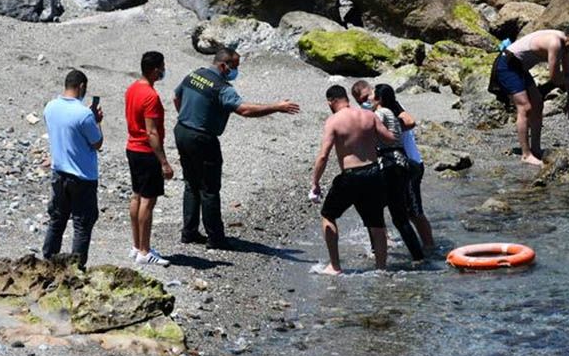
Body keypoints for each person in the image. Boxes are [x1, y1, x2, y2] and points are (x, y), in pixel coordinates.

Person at [173, 47, 300, 250]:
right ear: (223, 65)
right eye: (235, 67)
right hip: (203, 138)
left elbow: (176, 98)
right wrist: (276, 107)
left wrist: (189, 117)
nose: (236, 71)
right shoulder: (222, 87)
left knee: (191, 183)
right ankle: (216, 238)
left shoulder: (194, 74)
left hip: (182, 131)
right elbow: (245, 110)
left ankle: (189, 232)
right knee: (210, 189)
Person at [311, 85, 396, 275]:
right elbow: (390, 138)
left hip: (351, 176)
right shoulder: (368, 115)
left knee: (328, 215)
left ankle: (335, 266)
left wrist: (315, 182)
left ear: (331, 101)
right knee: (376, 222)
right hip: (374, 172)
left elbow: (323, 155)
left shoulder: (333, 121)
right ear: (347, 98)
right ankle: (381, 269)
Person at [492, 24, 569, 166]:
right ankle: (526, 155)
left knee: (538, 102)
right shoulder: (555, 43)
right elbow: (555, 78)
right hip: (507, 65)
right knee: (525, 107)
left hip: (520, 68)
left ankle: (536, 149)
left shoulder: (566, 46)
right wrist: (566, 81)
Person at [351, 81, 434, 250]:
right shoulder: (368, 112)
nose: (367, 102)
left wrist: (388, 128)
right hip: (388, 166)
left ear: (376, 95)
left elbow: (410, 122)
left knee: (413, 211)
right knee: (375, 207)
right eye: (362, 101)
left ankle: (429, 247)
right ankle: (382, 244)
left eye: (369, 97)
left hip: (409, 164)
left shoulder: (391, 107)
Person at [42, 70, 103, 269]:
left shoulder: (50, 107)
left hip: (59, 172)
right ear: (82, 87)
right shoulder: (84, 114)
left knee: (57, 220)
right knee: (82, 224)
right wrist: (97, 122)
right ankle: (76, 268)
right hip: (82, 177)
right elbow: (97, 143)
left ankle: (48, 262)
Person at [125, 51, 173, 267]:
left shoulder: (133, 88)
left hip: (132, 148)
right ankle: (144, 250)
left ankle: (137, 246)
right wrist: (163, 161)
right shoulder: (150, 97)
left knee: (136, 196)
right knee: (148, 200)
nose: (164, 70)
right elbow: (152, 132)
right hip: (146, 152)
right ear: (155, 70)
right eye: (162, 67)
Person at [370, 84, 424, 261]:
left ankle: (380, 255)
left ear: (379, 99)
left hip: (391, 165)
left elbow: (387, 136)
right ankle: (419, 255)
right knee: (401, 216)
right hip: (400, 164)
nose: (369, 99)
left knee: (393, 214)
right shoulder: (391, 113)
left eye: (371, 95)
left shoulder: (381, 114)